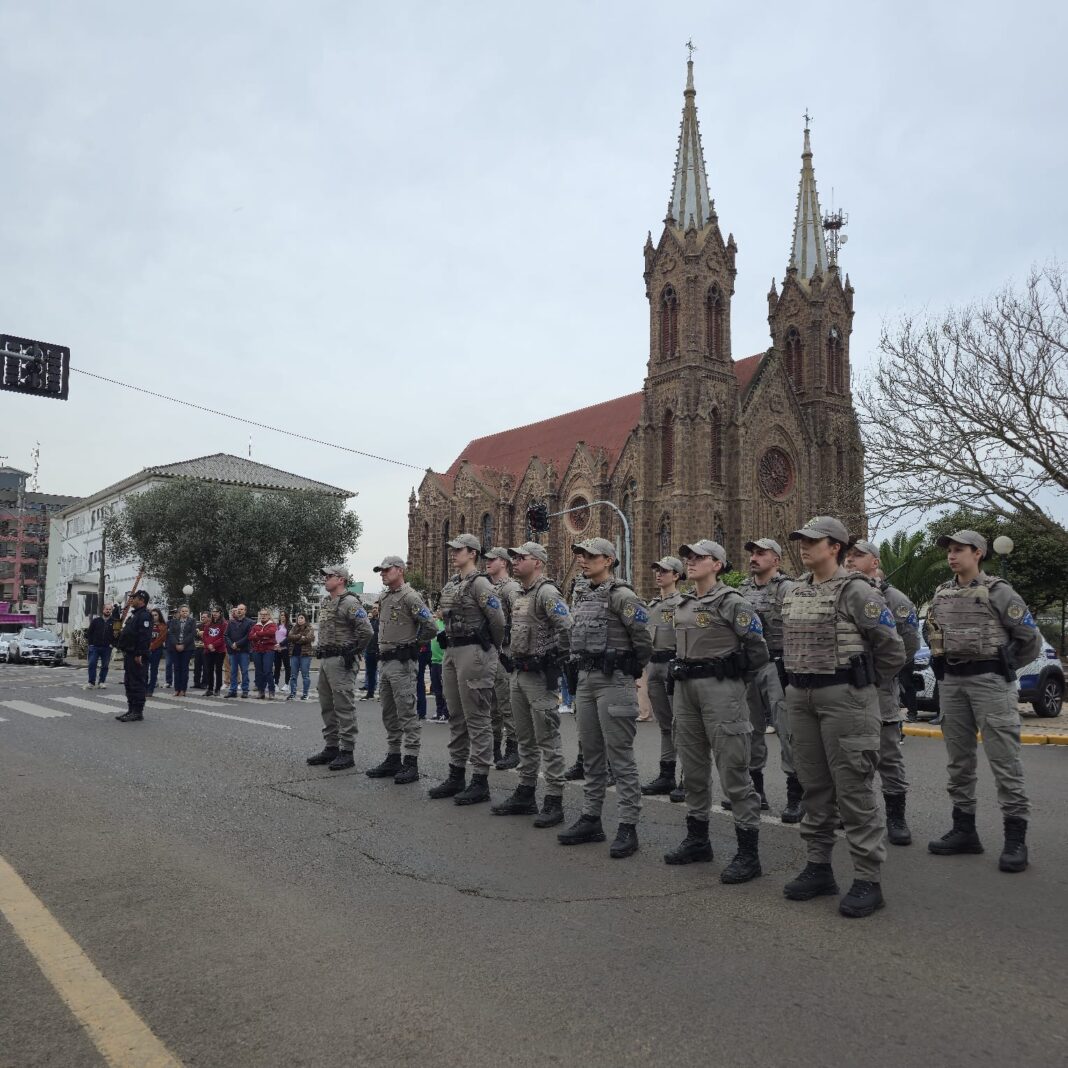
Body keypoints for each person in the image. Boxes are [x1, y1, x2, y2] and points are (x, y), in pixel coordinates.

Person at [780, 516, 905, 919]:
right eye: (801, 539)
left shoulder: (856, 591)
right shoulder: (795, 590)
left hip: (846, 698)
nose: (804, 546)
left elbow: (891, 649)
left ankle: (868, 878)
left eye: (813, 540)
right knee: (813, 785)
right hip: (801, 696)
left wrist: (860, 685)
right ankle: (819, 867)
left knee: (853, 786)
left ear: (835, 547)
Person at [926, 529, 1042, 873]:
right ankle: (964, 831)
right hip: (952, 683)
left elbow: (1029, 640)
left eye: (959, 549)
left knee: (1005, 762)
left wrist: (1000, 667)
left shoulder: (1000, 592)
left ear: (978, 553)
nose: (951, 555)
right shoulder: (941, 592)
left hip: (990, 683)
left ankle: (1015, 839)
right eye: (949, 549)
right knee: (959, 762)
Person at [664, 540, 769, 883]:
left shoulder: (731, 602)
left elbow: (757, 648)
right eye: (688, 557)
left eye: (699, 558)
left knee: (733, 770)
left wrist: (735, 681)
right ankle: (698, 840)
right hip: (686, 690)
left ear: (718, 564)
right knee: (693, 769)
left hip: (721, 688)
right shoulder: (681, 603)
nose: (690, 562)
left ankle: (748, 852)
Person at [557, 537, 652, 859]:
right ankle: (591, 818)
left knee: (620, 758)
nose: (583, 560)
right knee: (592, 755)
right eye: (581, 555)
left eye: (591, 556)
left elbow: (643, 640)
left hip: (614, 680)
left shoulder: (622, 595)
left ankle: (628, 826)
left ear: (608, 560)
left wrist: (628, 668)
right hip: (585, 680)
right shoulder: (582, 595)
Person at [491, 542, 573, 827]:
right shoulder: (521, 595)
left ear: (537, 562)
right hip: (519, 673)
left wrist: (555, 658)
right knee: (525, 739)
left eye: (521, 557)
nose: (515, 561)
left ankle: (553, 799)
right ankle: (525, 793)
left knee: (547, 739)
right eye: (513, 558)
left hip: (539, 676)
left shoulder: (547, 592)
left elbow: (567, 626)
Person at [847, 540, 921, 845]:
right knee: (849, 754)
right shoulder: (844, 594)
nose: (850, 560)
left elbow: (910, 645)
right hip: (847, 689)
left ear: (875, 562)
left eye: (858, 556)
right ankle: (852, 814)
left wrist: (879, 674)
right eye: (848, 555)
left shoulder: (895, 599)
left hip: (880, 688)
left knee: (888, 754)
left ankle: (896, 817)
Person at [428, 534, 506, 805]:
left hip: (474, 651)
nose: (453, 554)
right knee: (457, 716)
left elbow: (498, 621)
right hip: (451, 650)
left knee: (477, 716)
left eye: (458, 550)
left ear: (472, 553)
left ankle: (480, 779)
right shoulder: (453, 583)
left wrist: (488, 649)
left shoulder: (481, 583)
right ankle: (456, 773)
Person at [738, 538, 802, 822]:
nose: (754, 557)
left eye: (761, 553)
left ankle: (796, 796)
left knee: (787, 729)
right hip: (749, 665)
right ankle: (756, 792)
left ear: (776, 559)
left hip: (778, 664)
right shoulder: (741, 591)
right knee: (750, 729)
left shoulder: (789, 589)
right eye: (752, 553)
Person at [364, 556, 438, 784]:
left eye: (386, 570)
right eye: (381, 571)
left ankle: (411, 761)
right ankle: (393, 757)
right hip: (385, 662)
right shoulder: (385, 597)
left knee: (407, 712)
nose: (382, 574)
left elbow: (431, 626)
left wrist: (414, 644)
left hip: (402, 662)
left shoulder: (411, 596)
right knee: (389, 712)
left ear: (400, 570)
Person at [306, 566, 373, 771]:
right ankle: (331, 746)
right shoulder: (327, 602)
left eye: (329, 576)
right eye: (324, 576)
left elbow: (367, 631)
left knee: (343, 705)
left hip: (341, 660)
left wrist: (354, 651)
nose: (325, 579)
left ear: (341, 580)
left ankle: (347, 750)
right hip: (326, 659)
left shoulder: (350, 602)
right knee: (327, 705)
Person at [640, 556, 685, 797]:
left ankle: (687, 778)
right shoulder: (653, 605)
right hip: (654, 666)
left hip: (673, 666)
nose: (659, 574)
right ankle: (666, 774)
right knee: (665, 725)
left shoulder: (683, 603)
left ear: (676, 576)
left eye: (665, 571)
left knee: (682, 725)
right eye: (657, 570)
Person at [484, 546, 522, 769]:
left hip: (505, 653)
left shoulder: (511, 588)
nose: (487, 562)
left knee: (507, 704)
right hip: (489, 653)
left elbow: (520, 622)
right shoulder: (488, 587)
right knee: (492, 706)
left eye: (493, 559)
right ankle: (495, 748)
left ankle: (513, 749)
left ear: (504, 563)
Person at [116, 591, 152, 722]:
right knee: (129, 683)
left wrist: (139, 654)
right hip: (129, 653)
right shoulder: (135, 615)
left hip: (137, 655)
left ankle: (137, 712)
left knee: (137, 683)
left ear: (141, 600)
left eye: (134, 598)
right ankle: (131, 709)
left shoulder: (144, 616)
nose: (131, 600)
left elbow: (144, 637)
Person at [166, 604, 197, 697]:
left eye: (186, 611)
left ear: (189, 613)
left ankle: (183, 689)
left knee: (184, 669)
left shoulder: (192, 621)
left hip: (187, 648)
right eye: (182, 611)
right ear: (179, 612)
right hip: (175, 648)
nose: (184, 613)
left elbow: (192, 634)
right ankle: (177, 689)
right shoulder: (173, 621)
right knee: (176, 668)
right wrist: (176, 644)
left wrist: (183, 644)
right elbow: (171, 634)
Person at [223, 604, 253, 698]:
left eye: (241, 609)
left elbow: (248, 636)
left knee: (244, 671)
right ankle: (233, 690)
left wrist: (237, 644)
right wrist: (232, 644)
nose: (239, 611)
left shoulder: (250, 622)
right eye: (238, 609)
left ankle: (245, 690)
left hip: (243, 651)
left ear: (245, 611)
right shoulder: (231, 622)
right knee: (233, 671)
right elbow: (226, 635)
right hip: (232, 651)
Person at [84, 603, 115, 689]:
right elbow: (89, 633)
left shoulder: (114, 622)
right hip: (95, 647)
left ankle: (101, 682)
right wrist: (91, 644)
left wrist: (113, 644)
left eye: (109, 609)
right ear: (103, 610)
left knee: (105, 665)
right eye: (106, 609)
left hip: (107, 647)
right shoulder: (96, 621)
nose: (108, 611)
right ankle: (91, 682)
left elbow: (117, 635)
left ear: (111, 611)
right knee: (92, 664)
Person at [250, 608, 278, 699]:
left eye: (265, 614)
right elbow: (250, 636)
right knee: (259, 672)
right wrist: (263, 635)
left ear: (269, 616)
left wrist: (258, 635)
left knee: (267, 671)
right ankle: (261, 691)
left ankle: (271, 691)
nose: (263, 616)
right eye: (261, 614)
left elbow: (271, 633)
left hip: (268, 650)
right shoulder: (256, 625)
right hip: (257, 650)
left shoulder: (272, 625)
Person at [287, 612, 315, 700]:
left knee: (305, 675)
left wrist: (296, 639)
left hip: (305, 655)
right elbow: (290, 637)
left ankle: (305, 694)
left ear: (305, 619)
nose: (299, 620)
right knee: (293, 676)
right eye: (298, 618)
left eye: (301, 618)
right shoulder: (294, 628)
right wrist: (300, 636)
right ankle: (292, 693)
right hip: (294, 654)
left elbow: (308, 638)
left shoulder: (309, 628)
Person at [202, 608, 227, 696]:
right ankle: (210, 688)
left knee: (218, 670)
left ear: (220, 613)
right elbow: (205, 636)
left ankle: (217, 689)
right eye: (213, 612)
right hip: (208, 650)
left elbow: (223, 637)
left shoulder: (224, 624)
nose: (215, 613)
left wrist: (214, 645)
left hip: (219, 650)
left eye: (217, 612)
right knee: (209, 670)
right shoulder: (209, 624)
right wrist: (209, 645)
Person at [428, 616, 449, 720]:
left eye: (440, 609)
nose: (438, 611)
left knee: (445, 689)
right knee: (437, 689)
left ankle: (446, 712)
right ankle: (439, 711)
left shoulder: (447, 623)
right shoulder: (435, 623)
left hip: (443, 661)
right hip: (434, 660)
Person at [360, 604, 380, 700]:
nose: (374, 609)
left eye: (376, 608)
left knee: (383, 674)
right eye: (373, 608)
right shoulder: (369, 621)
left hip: (380, 651)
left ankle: (382, 694)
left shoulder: (383, 621)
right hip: (370, 650)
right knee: (370, 673)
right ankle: (370, 693)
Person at [147, 609, 167, 695]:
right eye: (152, 615)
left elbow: (161, 639)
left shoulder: (163, 626)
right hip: (145, 649)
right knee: (144, 669)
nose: (154, 617)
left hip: (157, 650)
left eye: (155, 615)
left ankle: (151, 689)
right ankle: (144, 687)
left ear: (159, 616)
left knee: (153, 669)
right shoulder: (147, 625)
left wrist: (152, 646)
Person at [273, 611, 291, 689]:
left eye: (284, 615)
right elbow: (274, 636)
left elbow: (289, 638)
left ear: (286, 616)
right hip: (276, 649)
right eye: (281, 615)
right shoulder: (277, 625)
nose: (282, 616)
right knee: (277, 667)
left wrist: (281, 644)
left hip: (285, 649)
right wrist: (276, 645)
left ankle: (286, 684)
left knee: (287, 666)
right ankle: (276, 683)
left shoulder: (289, 626)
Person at [193, 611, 209, 690]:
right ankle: (196, 683)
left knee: (206, 667)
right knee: (197, 666)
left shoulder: (211, 626)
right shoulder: (198, 625)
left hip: (206, 649)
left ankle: (205, 683)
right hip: (198, 648)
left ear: (209, 618)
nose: (203, 618)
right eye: (202, 617)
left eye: (204, 617)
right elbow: (195, 635)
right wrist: (198, 634)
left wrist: (204, 634)